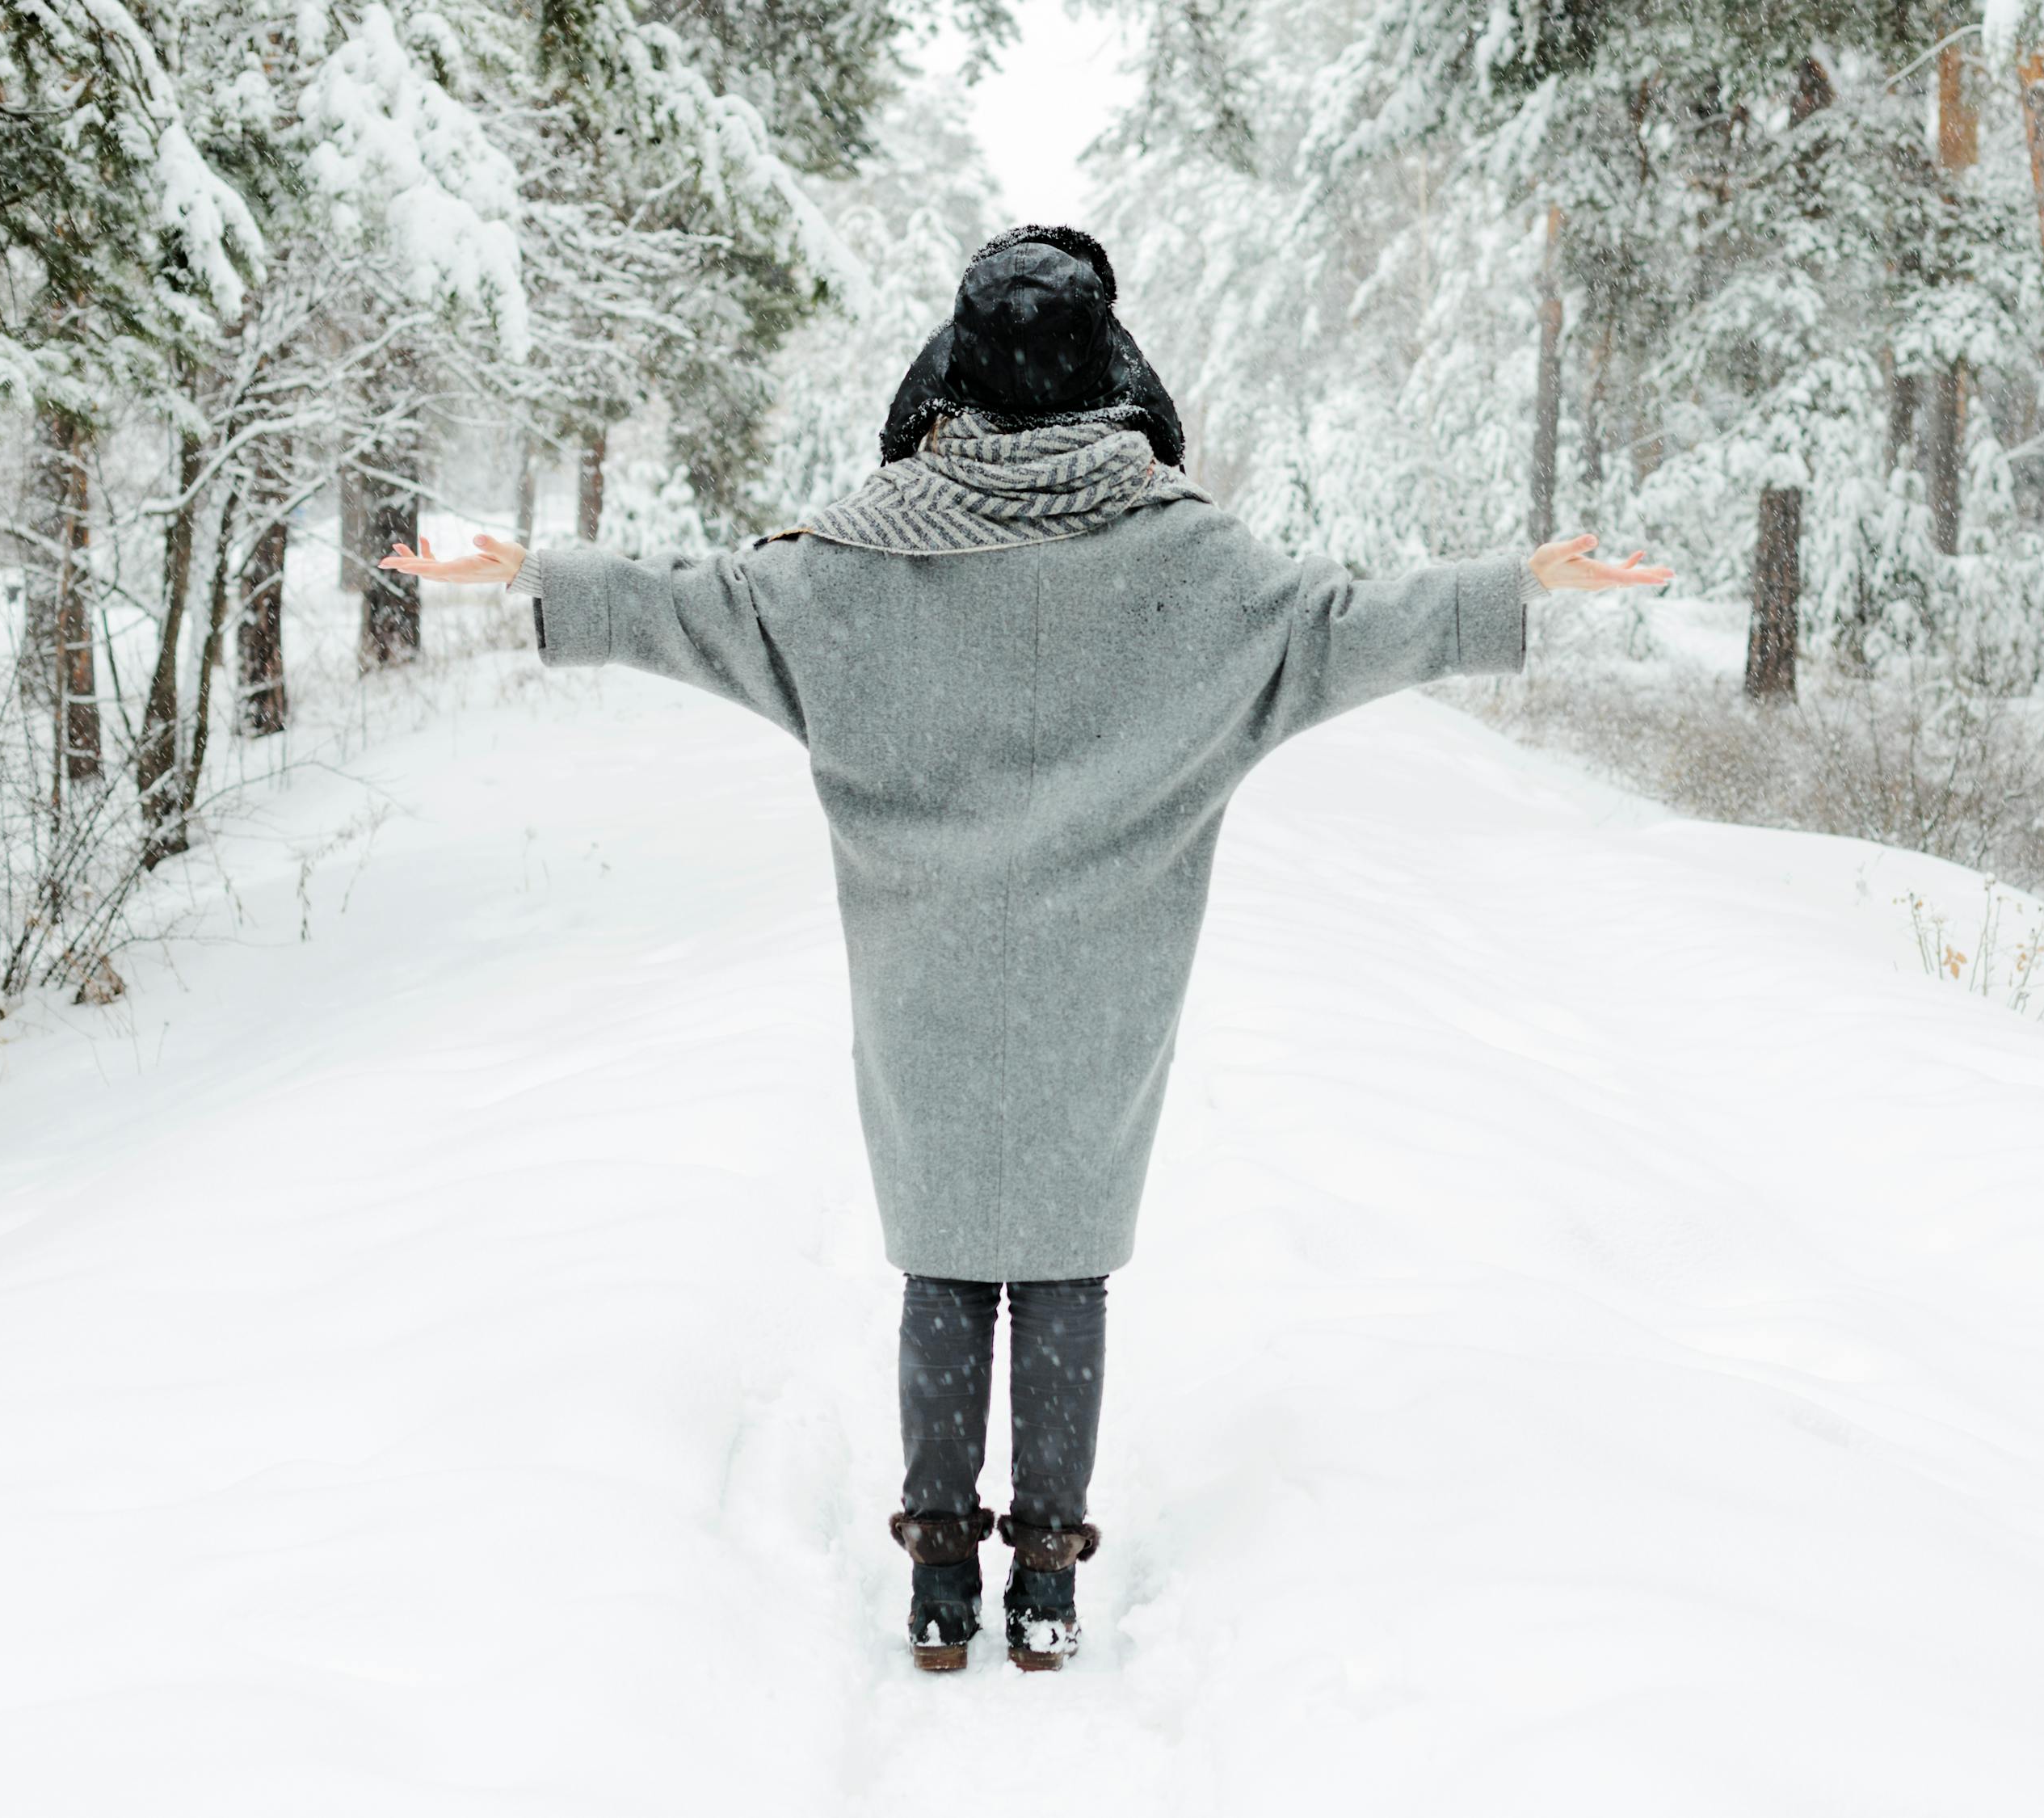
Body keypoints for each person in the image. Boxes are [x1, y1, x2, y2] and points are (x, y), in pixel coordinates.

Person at [384, 225, 1672, 1674]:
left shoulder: (854, 564)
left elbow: (689, 606)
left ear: (958, 369)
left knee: (942, 1269)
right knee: (1062, 1270)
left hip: (926, 980)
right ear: (1108, 369)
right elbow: (1347, 626)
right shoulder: (1193, 565)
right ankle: (1046, 1585)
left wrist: (529, 569)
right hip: (1096, 991)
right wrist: (1527, 582)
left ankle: (940, 1578)